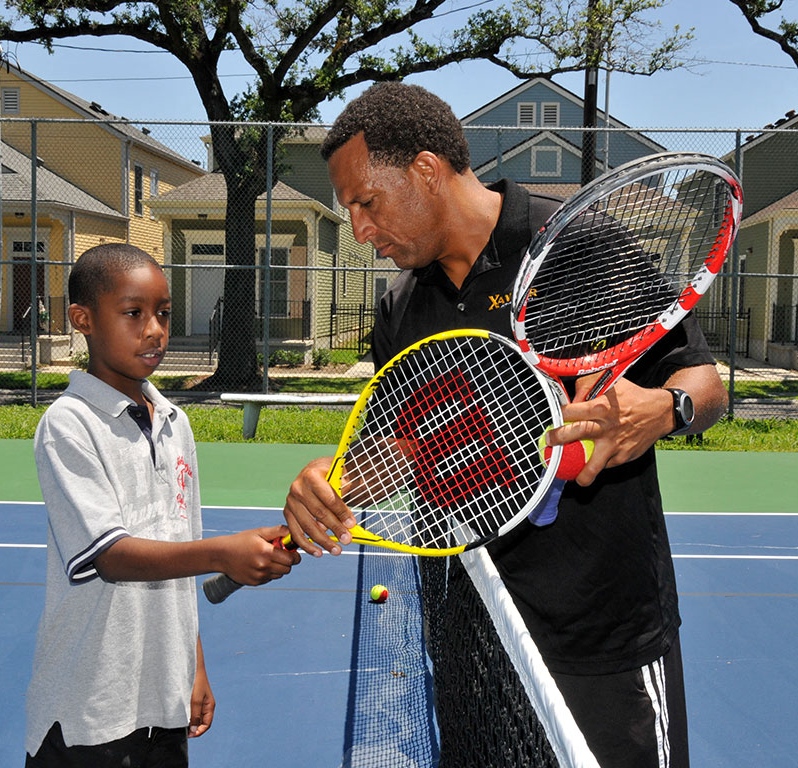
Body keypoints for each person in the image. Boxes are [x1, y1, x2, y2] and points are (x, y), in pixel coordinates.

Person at [282, 82, 727, 767]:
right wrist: (330, 482)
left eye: (366, 203)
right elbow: (403, 450)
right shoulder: (402, 310)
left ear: (428, 169)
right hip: (472, 633)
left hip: (600, 636)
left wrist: (662, 409)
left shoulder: (578, 247)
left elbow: (705, 382)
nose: (361, 231)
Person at [25, 243, 300, 767]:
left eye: (164, 313)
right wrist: (223, 554)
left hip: (163, 706)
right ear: (82, 319)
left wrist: (193, 666)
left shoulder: (175, 421)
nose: (154, 329)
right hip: (89, 710)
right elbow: (111, 556)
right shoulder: (68, 425)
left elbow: (180, 552)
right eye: (134, 313)